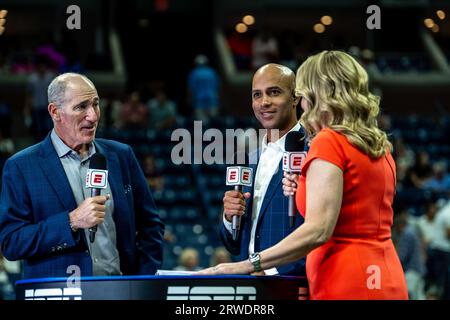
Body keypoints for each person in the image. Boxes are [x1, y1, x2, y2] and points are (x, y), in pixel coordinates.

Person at [199, 51, 408, 300]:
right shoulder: (380, 146)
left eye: (303, 92)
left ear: (314, 95)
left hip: (339, 278)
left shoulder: (326, 142)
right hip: (385, 276)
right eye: (257, 94)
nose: (304, 101)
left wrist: (248, 265)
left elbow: (318, 230)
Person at [0, 73, 165, 279]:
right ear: (55, 112)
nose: (93, 116)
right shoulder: (22, 166)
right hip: (59, 293)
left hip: (121, 290)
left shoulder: (121, 156)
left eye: (96, 104)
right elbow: (12, 242)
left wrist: (144, 277)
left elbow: (151, 225)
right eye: (81, 107)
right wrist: (71, 222)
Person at [220, 63, 306, 276]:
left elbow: (321, 231)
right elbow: (234, 245)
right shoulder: (248, 161)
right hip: (250, 287)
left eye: (274, 92)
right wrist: (229, 218)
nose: (264, 102)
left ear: (295, 98)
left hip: (294, 285)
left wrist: (271, 271)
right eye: (257, 95)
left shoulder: (314, 153)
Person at [187, 54, 220, 121]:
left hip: (199, 101)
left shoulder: (194, 73)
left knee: (202, 123)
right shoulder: (212, 72)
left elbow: (191, 89)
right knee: (214, 122)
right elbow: (217, 86)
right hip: (212, 100)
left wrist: (190, 100)